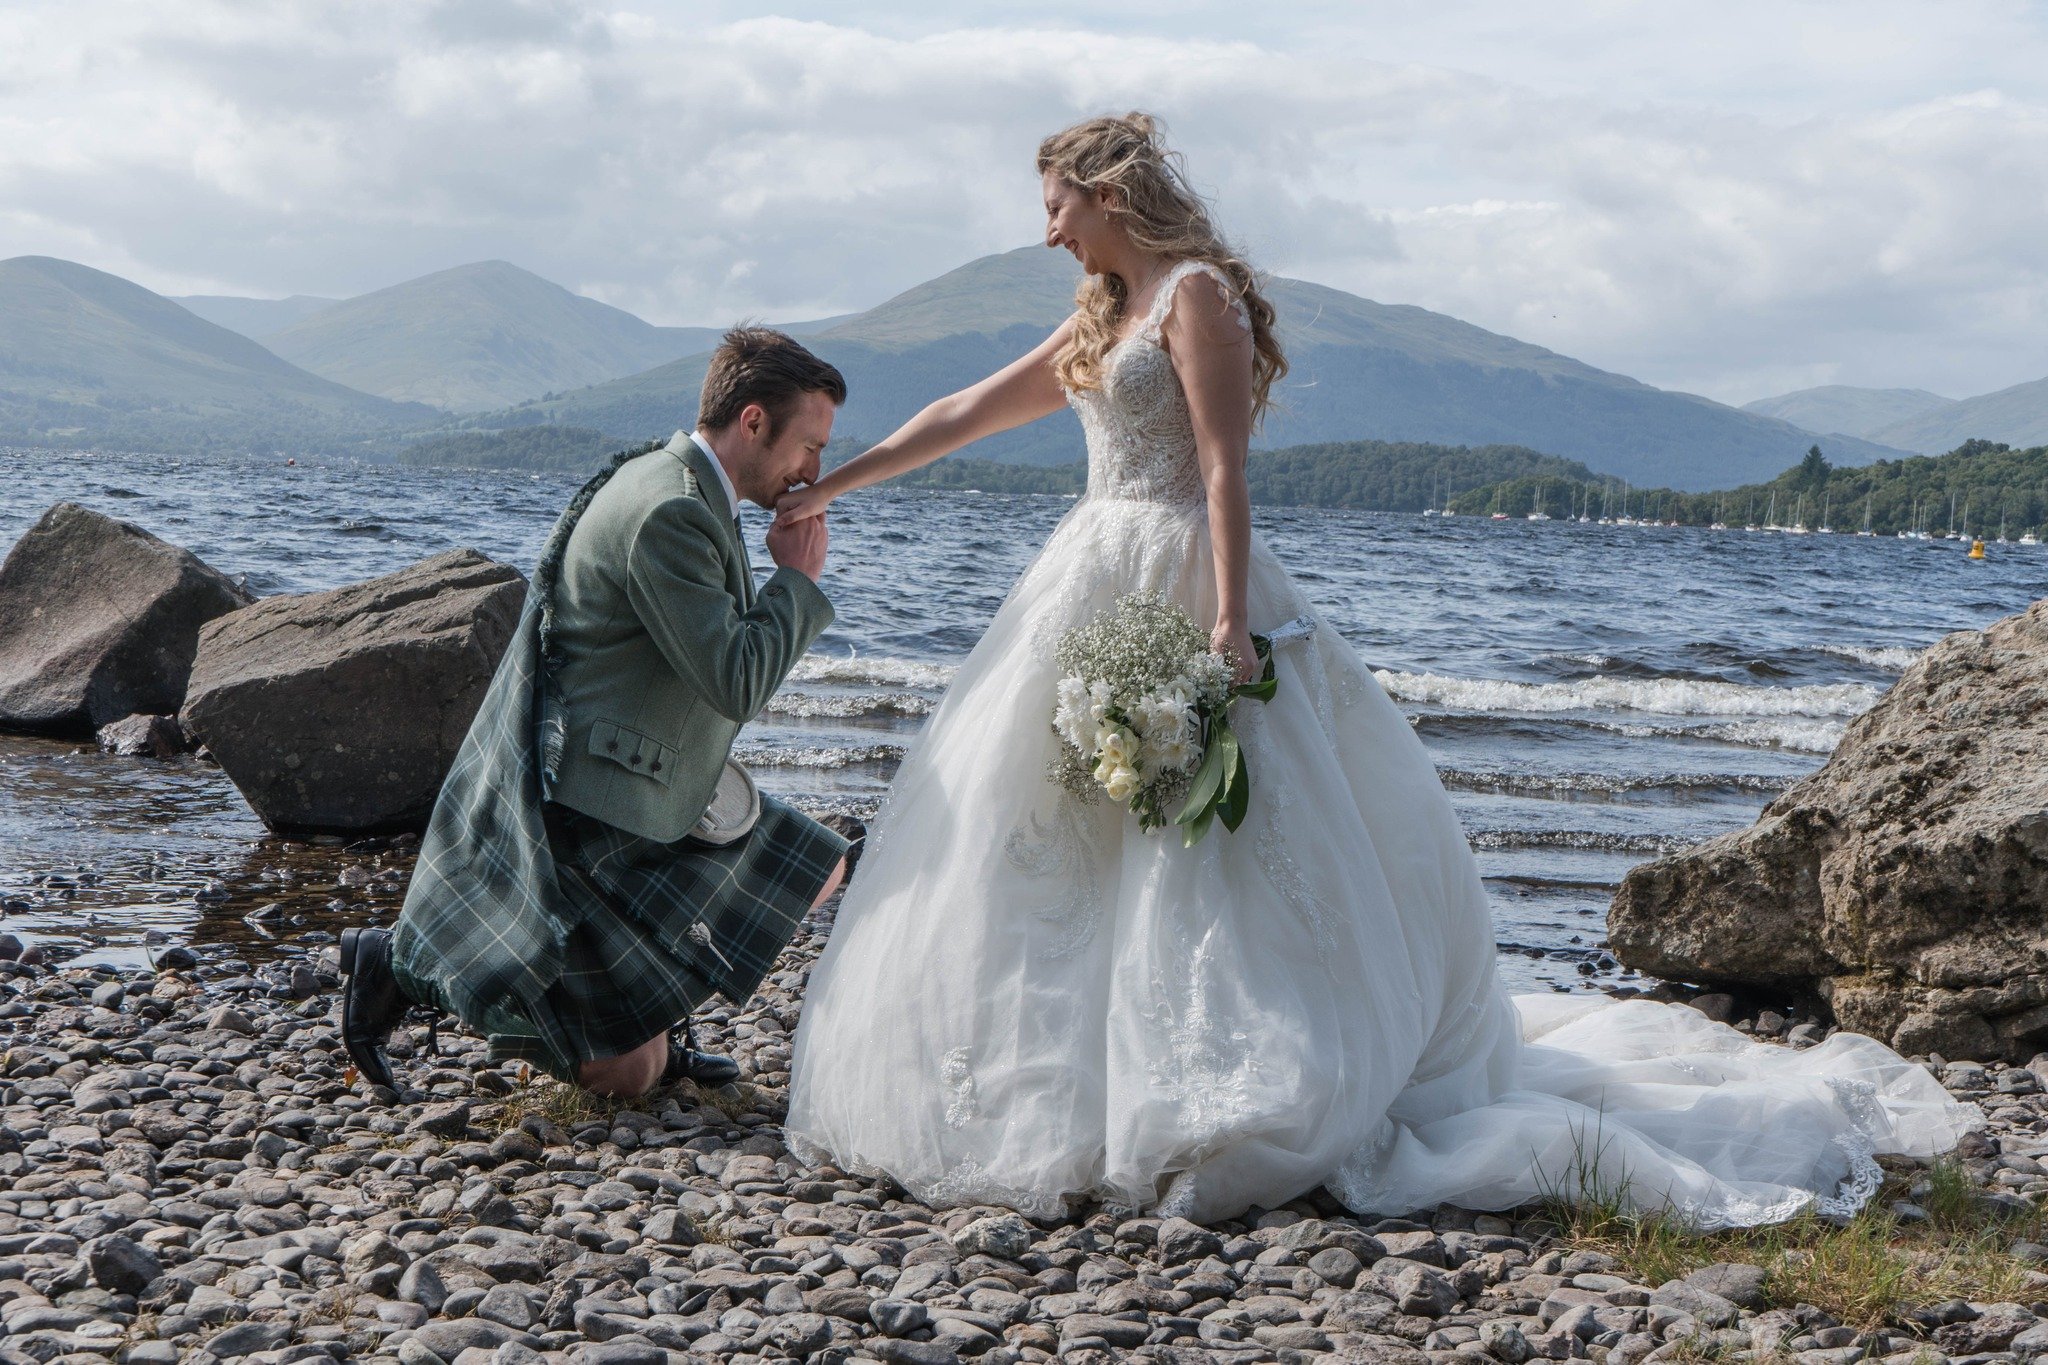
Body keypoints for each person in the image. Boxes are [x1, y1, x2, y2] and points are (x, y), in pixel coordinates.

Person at [775, 114, 1977, 1225]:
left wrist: (1229, 622)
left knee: (1200, 843)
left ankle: (1225, 1082)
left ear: (1103, 192)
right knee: (1048, 824)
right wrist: (827, 488)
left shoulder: (1193, 295)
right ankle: (1053, 1085)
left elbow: (1221, 470)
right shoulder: (1100, 312)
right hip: (1083, 576)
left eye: (1054, 205)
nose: (1044, 229)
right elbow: (972, 409)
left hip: (1184, 574)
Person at [340, 328, 851, 1098]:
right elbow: (737, 681)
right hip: (600, 810)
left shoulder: (678, 482)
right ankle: (399, 966)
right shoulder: (671, 512)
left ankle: (654, 1018)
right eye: (809, 445)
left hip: (647, 779)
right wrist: (796, 584)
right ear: (753, 422)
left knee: (821, 867)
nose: (814, 469)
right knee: (626, 1077)